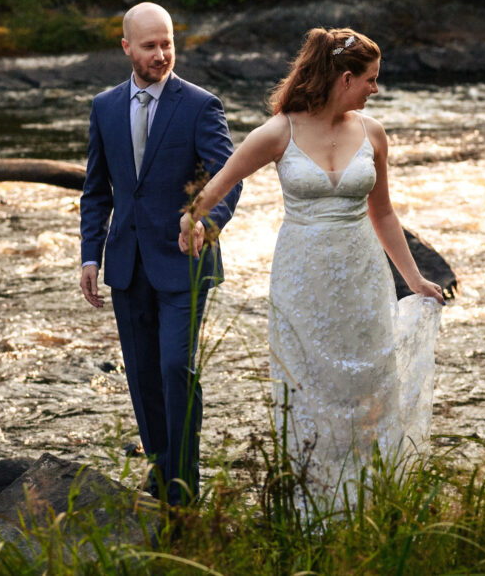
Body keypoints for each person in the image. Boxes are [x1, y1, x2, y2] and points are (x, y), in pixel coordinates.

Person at [179, 27, 444, 503]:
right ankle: (312, 505)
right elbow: (222, 181)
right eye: (371, 79)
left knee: (369, 381)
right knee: (309, 388)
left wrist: (414, 280)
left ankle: (370, 499)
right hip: (303, 280)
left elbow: (382, 213)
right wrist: (194, 219)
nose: (375, 89)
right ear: (345, 78)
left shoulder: (373, 134)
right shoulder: (280, 131)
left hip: (363, 275)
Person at [79, 3, 241, 506]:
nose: (161, 54)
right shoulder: (105, 107)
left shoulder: (199, 104)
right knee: (144, 372)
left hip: (184, 263)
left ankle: (183, 484)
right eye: (149, 45)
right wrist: (90, 256)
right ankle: (160, 469)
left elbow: (227, 179)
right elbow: (96, 190)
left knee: (176, 368)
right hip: (126, 262)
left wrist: (205, 222)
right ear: (127, 47)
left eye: (167, 43)